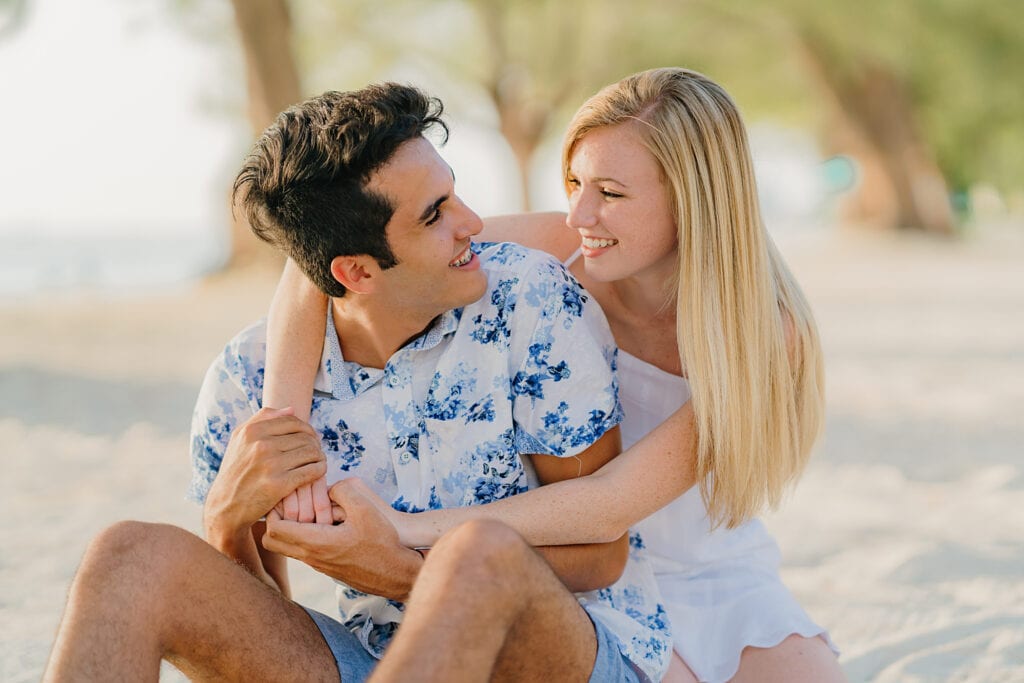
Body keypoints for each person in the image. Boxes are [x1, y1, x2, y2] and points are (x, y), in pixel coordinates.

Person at [43, 83, 672, 683]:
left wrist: (402, 572)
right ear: (355, 272)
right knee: (127, 558)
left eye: (453, 194)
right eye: (435, 216)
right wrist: (228, 522)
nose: (474, 222)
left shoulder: (528, 304)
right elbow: (257, 622)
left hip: (558, 656)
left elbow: (600, 554)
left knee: (480, 552)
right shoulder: (250, 381)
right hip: (377, 661)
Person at [265, 68, 846, 683]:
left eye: (611, 193)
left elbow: (607, 506)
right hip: (578, 578)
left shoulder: (763, 334)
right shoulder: (558, 247)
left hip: (702, 573)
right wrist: (282, 433)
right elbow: (316, 265)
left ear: (694, 197)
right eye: (573, 182)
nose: (579, 213)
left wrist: (403, 532)